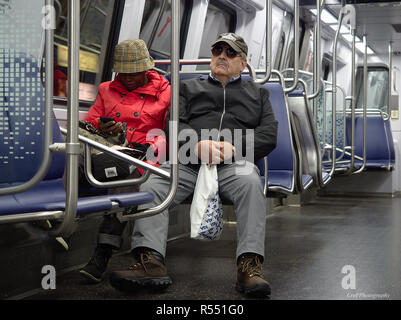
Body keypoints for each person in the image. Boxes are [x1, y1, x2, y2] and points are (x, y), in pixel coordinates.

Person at [108, 33, 278, 298]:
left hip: (235, 163)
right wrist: (198, 145)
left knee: (251, 183)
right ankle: (150, 261)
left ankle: (249, 267)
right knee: (154, 183)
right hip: (188, 159)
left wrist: (235, 147)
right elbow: (173, 125)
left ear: (243, 63)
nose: (222, 56)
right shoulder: (187, 87)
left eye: (230, 53)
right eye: (217, 50)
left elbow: (269, 135)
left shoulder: (259, 94)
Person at [79, 39, 170, 283]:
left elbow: (169, 132)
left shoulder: (166, 92)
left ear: (146, 68)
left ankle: (104, 250)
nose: (128, 77)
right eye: (123, 72)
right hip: (108, 147)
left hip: (144, 153)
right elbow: (90, 122)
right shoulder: (106, 89)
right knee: (73, 156)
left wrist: (144, 146)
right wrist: (104, 127)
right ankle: (58, 216)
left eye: (134, 72)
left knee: (129, 176)